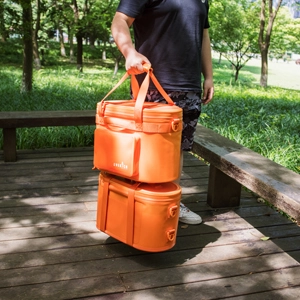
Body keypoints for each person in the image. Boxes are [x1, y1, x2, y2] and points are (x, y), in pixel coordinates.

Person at [111, 0, 214, 225]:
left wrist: (208, 76)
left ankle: (170, 202)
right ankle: (138, 205)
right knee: (146, 150)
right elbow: (120, 20)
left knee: (176, 150)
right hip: (154, 82)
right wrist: (129, 52)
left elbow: (204, 36)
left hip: (190, 87)